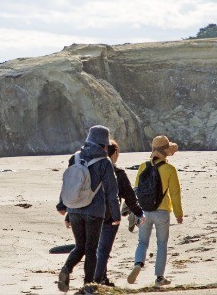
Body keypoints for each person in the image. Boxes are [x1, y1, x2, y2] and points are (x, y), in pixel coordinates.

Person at [56, 125, 121, 292]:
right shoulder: (105, 162)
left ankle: (66, 269)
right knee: (91, 249)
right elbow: (112, 191)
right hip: (95, 211)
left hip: (75, 209)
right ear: (104, 144)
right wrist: (116, 215)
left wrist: (63, 205)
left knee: (80, 246)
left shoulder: (75, 157)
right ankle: (88, 285)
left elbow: (67, 184)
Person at [127, 135, 183, 287]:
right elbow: (175, 193)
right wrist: (179, 214)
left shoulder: (143, 166)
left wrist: (134, 210)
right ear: (166, 152)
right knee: (162, 244)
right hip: (162, 212)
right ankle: (159, 277)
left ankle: (138, 263)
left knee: (142, 241)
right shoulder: (170, 169)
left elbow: (136, 190)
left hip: (144, 211)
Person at [93, 140, 145, 287]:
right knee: (103, 249)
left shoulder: (91, 169)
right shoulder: (119, 173)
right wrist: (140, 214)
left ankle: (102, 277)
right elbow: (130, 197)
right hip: (110, 216)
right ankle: (97, 280)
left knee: (97, 247)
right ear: (115, 153)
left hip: (89, 214)